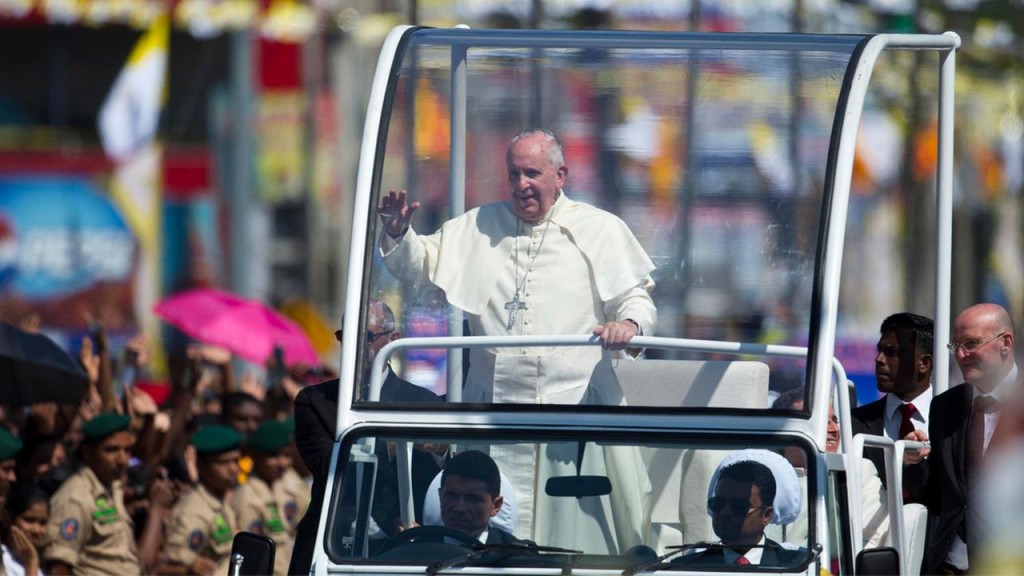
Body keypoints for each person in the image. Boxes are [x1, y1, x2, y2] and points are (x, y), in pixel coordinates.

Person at [378, 128, 654, 550]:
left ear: (560, 175)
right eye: (514, 174)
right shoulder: (481, 225)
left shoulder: (599, 228)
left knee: (578, 537)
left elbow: (634, 297)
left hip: (571, 409)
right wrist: (399, 234)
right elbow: (422, 264)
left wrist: (629, 326)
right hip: (492, 406)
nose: (521, 184)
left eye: (532, 173)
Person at [289, 299, 443, 574]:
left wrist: (440, 448)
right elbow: (330, 468)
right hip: (332, 541)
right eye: (346, 337)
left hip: (404, 543)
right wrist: (396, 444)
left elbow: (445, 474)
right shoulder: (315, 400)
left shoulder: (423, 402)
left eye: (367, 338)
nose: (356, 347)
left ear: (394, 339)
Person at [925, 303, 1017, 575]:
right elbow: (939, 491)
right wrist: (912, 462)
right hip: (950, 565)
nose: (962, 354)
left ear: (1005, 343)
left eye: (972, 343)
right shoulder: (944, 407)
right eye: (956, 346)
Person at [773, 390, 890, 548]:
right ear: (784, 432)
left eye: (835, 420)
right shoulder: (763, 477)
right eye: (822, 422)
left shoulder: (859, 471)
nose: (834, 429)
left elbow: (868, 539)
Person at [43, 413, 143, 575]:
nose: (122, 459)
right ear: (88, 452)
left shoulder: (112, 488)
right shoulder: (76, 498)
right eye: (111, 450)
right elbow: (59, 565)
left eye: (127, 450)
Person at [851, 312, 933, 503]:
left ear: (924, 363)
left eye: (892, 352)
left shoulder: (956, 419)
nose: (879, 359)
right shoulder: (855, 423)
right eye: (879, 350)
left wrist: (914, 463)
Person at [673, 454, 805, 567]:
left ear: (766, 515)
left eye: (739, 507)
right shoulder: (683, 568)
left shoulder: (799, 566)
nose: (725, 512)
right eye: (718, 504)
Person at [158, 425, 241, 576]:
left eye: (236, 461)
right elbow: (168, 566)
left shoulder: (219, 500)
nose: (233, 469)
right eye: (224, 463)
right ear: (201, 467)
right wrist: (188, 569)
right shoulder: (193, 511)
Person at [231, 420, 295, 576]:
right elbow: (250, 556)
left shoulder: (282, 485)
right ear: (254, 456)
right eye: (273, 456)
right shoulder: (248, 497)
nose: (282, 463)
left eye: (287, 455)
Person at [438, 450, 531, 545]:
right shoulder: (423, 551)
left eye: (472, 499)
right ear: (440, 497)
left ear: (496, 506)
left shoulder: (519, 556)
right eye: (451, 496)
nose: (460, 508)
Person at [2, 484, 49, 576]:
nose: (36, 530)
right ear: (7, 518)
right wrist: (31, 562)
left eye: (42, 523)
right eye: (29, 520)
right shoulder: (4, 561)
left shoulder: (41, 564)